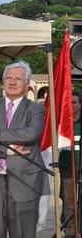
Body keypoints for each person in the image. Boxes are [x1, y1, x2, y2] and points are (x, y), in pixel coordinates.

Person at [0, 60, 49, 238]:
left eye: (18, 79)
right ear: (3, 81)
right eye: (8, 78)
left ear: (27, 84)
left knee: (22, 233)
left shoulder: (36, 109)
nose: (12, 82)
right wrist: (9, 151)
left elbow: (31, 133)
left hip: (24, 182)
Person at [59, 89, 81, 238]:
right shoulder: (62, 123)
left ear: (80, 105)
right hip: (67, 168)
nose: (71, 105)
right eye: (69, 102)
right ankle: (70, 233)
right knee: (69, 202)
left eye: (74, 102)